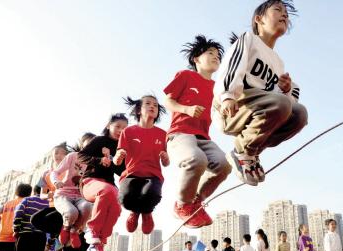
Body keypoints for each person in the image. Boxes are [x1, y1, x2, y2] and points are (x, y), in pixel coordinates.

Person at [213, 0, 308, 186]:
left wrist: (287, 89)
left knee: (300, 114)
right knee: (282, 103)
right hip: (232, 108)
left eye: (287, 15)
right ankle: (242, 151)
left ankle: (251, 152)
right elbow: (232, 65)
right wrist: (227, 96)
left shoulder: (278, 63)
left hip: (256, 112)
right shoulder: (249, 39)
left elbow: (283, 103)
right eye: (278, 10)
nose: (284, 15)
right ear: (259, 19)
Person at [164, 35, 231, 228]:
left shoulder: (218, 88)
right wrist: (186, 109)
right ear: (196, 59)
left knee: (224, 165)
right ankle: (182, 204)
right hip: (180, 133)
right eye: (210, 53)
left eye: (218, 55)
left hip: (203, 138)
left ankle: (195, 202)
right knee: (196, 159)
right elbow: (168, 101)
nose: (215, 57)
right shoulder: (186, 75)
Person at [115, 96, 169, 234]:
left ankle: (147, 213)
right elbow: (118, 158)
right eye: (148, 104)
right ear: (139, 110)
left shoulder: (163, 134)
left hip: (153, 176)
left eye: (156, 105)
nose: (152, 106)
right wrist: (118, 157)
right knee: (125, 199)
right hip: (131, 175)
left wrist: (166, 158)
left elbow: (166, 163)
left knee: (151, 194)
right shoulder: (128, 131)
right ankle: (135, 212)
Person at [78, 114, 128, 251]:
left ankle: (99, 244)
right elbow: (81, 156)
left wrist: (122, 163)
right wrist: (99, 160)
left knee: (117, 207)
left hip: (109, 185)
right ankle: (91, 230)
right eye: (117, 126)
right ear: (108, 126)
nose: (120, 130)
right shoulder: (99, 140)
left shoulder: (121, 147)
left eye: (124, 128)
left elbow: (120, 171)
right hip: (90, 181)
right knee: (106, 191)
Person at [51, 133, 95, 248]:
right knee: (72, 213)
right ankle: (65, 228)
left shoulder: (95, 162)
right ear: (82, 145)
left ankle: (74, 230)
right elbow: (55, 172)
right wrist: (56, 182)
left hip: (80, 196)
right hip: (64, 194)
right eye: (89, 143)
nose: (91, 145)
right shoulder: (73, 156)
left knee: (87, 207)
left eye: (94, 143)